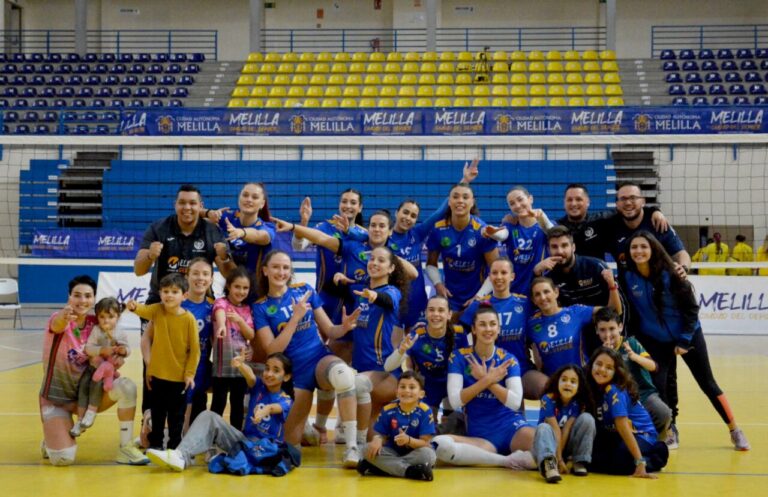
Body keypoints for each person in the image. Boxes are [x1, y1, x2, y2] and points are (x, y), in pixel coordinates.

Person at [619, 231, 750, 451]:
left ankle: (734, 429)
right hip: (655, 339)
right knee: (659, 387)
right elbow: (629, 310)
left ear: (653, 249)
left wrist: (684, 340)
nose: (638, 251)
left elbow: (691, 310)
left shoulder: (671, 273)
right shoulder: (628, 277)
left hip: (688, 335)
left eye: (643, 246)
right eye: (634, 247)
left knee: (707, 383)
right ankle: (671, 430)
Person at [253, 250, 362, 467]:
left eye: (286, 267)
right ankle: (307, 430)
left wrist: (344, 327)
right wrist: (295, 318)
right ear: (265, 271)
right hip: (294, 375)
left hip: (319, 359)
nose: (281, 272)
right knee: (290, 446)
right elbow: (272, 350)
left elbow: (329, 330)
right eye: (276, 267)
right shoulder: (261, 306)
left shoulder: (304, 290)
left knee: (343, 375)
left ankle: (352, 447)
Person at [134, 184, 232, 416]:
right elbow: (139, 269)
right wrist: (150, 256)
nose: (187, 207)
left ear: (200, 206)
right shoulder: (159, 228)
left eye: (192, 203)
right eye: (182, 202)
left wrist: (225, 257)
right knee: (154, 362)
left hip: (198, 306)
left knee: (197, 360)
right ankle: (151, 419)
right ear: (175, 205)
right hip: (161, 305)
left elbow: (228, 272)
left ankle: (194, 418)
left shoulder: (211, 231)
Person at [39, 275, 148, 466]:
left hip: (90, 393)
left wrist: (118, 355)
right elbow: (57, 324)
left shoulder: (97, 323)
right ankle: (52, 437)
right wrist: (64, 316)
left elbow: (118, 339)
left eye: (88, 296)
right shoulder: (59, 319)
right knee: (63, 458)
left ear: (94, 299)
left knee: (127, 386)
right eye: (77, 295)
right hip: (57, 399)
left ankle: (125, 448)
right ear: (69, 297)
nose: (82, 300)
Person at [146, 352, 295, 472]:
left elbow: (274, 407)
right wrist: (241, 365)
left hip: (266, 450)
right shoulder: (259, 387)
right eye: (267, 368)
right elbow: (250, 376)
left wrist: (265, 410)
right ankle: (180, 456)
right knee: (208, 416)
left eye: (276, 370)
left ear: (287, 377)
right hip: (244, 443)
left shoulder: (286, 400)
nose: (269, 373)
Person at [431, 305, 536, 470]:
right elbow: (456, 401)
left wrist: (488, 381)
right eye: (482, 324)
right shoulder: (458, 357)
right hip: (480, 435)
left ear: (498, 329)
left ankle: (504, 459)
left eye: (493, 324)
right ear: (473, 329)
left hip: (512, 428)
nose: (488, 329)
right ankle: (505, 461)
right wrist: (486, 380)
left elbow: (515, 403)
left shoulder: (508, 359)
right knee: (439, 443)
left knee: (541, 444)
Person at [390, 159, 478, 332]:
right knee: (393, 343)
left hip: (417, 300)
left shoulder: (417, 233)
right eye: (405, 212)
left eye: (413, 216)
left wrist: (465, 180)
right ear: (396, 213)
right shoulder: (384, 238)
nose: (408, 218)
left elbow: (440, 212)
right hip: (395, 299)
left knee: (415, 342)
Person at [130, 273, 200, 450]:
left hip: (179, 379)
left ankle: (174, 448)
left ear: (184, 295)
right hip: (157, 376)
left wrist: (189, 374)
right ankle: (155, 445)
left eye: (174, 292)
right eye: (165, 291)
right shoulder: (157, 310)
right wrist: (133, 306)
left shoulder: (189, 319)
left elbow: (195, 350)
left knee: (176, 416)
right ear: (160, 293)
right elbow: (143, 310)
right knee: (158, 413)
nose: (169, 295)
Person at [525, 274, 622, 398]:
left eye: (546, 291)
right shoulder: (531, 324)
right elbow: (528, 349)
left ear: (556, 292)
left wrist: (612, 286)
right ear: (533, 300)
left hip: (582, 380)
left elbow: (613, 311)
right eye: (537, 294)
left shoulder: (575, 312)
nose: (543, 297)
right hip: (554, 385)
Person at [533, 226, 620, 355]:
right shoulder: (549, 278)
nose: (560, 251)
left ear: (573, 247)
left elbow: (617, 311)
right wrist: (536, 272)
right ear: (548, 250)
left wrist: (616, 335)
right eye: (554, 247)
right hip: (572, 341)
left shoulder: (596, 267)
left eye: (564, 245)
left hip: (603, 334)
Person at [460, 258, 537, 398]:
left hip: (520, 368)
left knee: (543, 387)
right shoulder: (478, 305)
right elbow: (459, 335)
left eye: (504, 272)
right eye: (494, 273)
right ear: (489, 277)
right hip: (486, 370)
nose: (499, 277)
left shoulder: (524, 303)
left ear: (512, 276)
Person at [588, 347, 669, 477]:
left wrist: (640, 462)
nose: (602, 369)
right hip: (615, 435)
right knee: (592, 461)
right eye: (598, 364)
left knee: (621, 462)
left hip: (641, 435)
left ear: (616, 372)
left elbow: (623, 426)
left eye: (609, 368)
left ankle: (655, 456)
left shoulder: (614, 390)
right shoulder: (593, 386)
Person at [385, 295, 469, 416]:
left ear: (449, 314)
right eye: (431, 310)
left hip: (452, 386)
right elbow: (388, 367)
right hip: (427, 389)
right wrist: (401, 351)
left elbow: (467, 366)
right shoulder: (416, 335)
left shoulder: (460, 334)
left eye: (441, 310)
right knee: (426, 424)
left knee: (452, 423)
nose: (435, 314)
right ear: (425, 313)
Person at [291, 189, 367, 323]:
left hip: (353, 298)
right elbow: (298, 246)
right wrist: (304, 222)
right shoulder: (324, 227)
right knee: (324, 334)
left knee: (349, 336)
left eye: (353, 202)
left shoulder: (364, 234)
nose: (348, 206)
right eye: (344, 201)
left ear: (360, 208)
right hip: (325, 297)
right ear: (339, 204)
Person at [595, 307, 671, 437]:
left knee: (663, 413)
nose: (608, 334)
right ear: (597, 330)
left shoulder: (631, 343)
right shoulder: (599, 353)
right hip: (617, 399)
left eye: (612, 328)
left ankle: (656, 440)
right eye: (602, 330)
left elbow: (654, 367)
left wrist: (635, 357)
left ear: (620, 327)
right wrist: (606, 358)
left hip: (643, 395)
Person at [426, 183, 499, 313]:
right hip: (449, 296)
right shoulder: (438, 229)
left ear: (472, 202)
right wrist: (438, 284)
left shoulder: (482, 231)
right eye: (455, 197)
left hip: (478, 296)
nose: (460, 200)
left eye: (465, 197)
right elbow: (431, 264)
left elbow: (495, 269)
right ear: (449, 202)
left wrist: (479, 296)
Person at [358, 371, 437, 481]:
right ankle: (410, 471)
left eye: (412, 387)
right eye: (402, 387)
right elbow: (382, 435)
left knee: (429, 455)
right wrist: (377, 439)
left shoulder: (425, 411)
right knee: (366, 449)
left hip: (414, 453)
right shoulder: (388, 409)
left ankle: (378, 468)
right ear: (396, 392)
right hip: (391, 451)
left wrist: (408, 440)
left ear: (421, 394)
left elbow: (425, 443)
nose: (406, 390)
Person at [556, 183, 667, 260]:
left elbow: (630, 210)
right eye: (569, 200)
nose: (574, 204)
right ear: (564, 203)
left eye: (578, 199)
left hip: (596, 279)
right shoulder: (557, 226)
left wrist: (654, 210)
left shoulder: (600, 220)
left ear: (588, 202)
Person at [71, 297, 131, 438]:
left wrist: (123, 351)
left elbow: (128, 350)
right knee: (83, 387)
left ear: (118, 317)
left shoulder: (120, 333)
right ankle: (80, 420)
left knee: (96, 386)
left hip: (106, 371)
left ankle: (91, 412)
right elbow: (88, 348)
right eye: (102, 317)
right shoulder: (96, 330)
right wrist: (101, 350)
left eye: (110, 317)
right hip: (93, 367)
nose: (106, 321)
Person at [606, 182, 690, 278]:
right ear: (617, 204)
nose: (628, 203)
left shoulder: (658, 223)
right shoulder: (610, 226)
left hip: (659, 284)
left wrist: (683, 268)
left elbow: (680, 253)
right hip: (628, 285)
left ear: (643, 201)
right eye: (623, 199)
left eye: (633, 198)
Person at [483, 185, 553, 295]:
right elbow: (502, 235)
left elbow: (553, 233)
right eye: (512, 203)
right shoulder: (510, 226)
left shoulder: (545, 226)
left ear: (530, 199)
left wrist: (542, 216)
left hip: (538, 292)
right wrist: (492, 232)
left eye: (520, 200)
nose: (517, 205)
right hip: (513, 292)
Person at [532, 365, 595, 483]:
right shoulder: (547, 399)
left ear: (579, 387)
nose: (568, 384)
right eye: (564, 380)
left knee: (587, 418)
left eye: (573, 382)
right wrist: (559, 460)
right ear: (557, 382)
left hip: (563, 447)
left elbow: (566, 429)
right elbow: (556, 430)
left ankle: (579, 461)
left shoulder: (577, 403)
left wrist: (561, 458)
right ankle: (549, 464)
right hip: (547, 446)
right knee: (544, 427)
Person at [211, 266, 255, 429]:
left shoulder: (247, 309)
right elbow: (220, 312)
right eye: (237, 286)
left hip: (240, 366)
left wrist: (240, 320)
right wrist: (222, 325)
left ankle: (236, 436)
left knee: (237, 404)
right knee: (218, 403)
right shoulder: (221, 302)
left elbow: (250, 335)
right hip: (221, 367)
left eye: (245, 288)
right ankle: (213, 434)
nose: (241, 291)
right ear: (229, 286)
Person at [203, 182, 276, 275]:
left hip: (256, 282)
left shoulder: (267, 227)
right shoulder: (228, 218)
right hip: (231, 279)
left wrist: (241, 232)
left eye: (255, 197)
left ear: (262, 204)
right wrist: (208, 213)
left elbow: (259, 235)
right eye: (245, 195)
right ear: (239, 198)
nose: (249, 200)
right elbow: (196, 216)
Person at [182, 257, 215, 430]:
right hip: (175, 367)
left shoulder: (214, 307)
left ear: (211, 279)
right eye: (195, 273)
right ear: (187, 276)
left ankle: (186, 439)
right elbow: (149, 337)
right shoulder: (176, 302)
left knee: (193, 409)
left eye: (205, 274)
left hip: (200, 368)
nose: (200, 278)